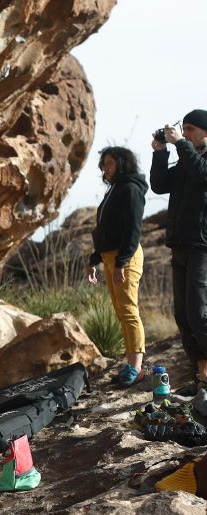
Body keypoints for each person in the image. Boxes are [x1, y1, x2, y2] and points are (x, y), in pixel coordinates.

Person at [150, 109, 207, 396]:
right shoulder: (186, 160)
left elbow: (201, 174)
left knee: (200, 314)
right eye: (183, 129)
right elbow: (159, 185)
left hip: (203, 248)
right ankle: (202, 375)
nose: (185, 134)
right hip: (180, 245)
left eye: (191, 130)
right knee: (183, 316)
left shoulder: (199, 161)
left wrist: (179, 145)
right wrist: (160, 152)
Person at [86, 147, 148, 387]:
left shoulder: (130, 189)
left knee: (129, 311)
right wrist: (95, 259)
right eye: (103, 164)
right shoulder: (114, 190)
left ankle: (136, 367)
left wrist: (121, 262)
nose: (105, 168)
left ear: (122, 164)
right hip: (111, 257)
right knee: (122, 312)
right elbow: (105, 232)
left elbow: (133, 230)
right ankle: (131, 365)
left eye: (109, 163)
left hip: (126, 257)